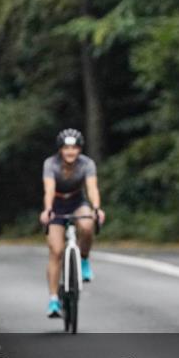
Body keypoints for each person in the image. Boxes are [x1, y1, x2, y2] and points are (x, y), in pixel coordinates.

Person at [39, 129, 105, 318]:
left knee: (86, 224)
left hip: (77, 201)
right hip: (57, 204)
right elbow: (49, 190)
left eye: (74, 148)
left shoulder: (87, 164)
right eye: (66, 147)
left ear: (80, 149)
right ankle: (53, 299)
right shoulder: (51, 164)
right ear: (60, 149)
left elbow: (92, 188)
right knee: (56, 251)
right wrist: (48, 209)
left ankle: (83, 259)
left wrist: (97, 208)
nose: (70, 151)